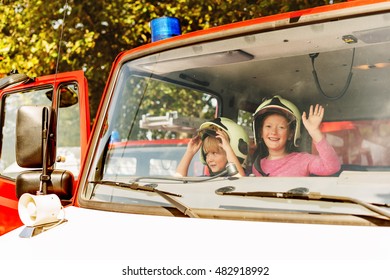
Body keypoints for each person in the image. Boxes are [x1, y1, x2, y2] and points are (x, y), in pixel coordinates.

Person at [251, 95, 341, 177]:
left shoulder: (303, 160)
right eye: (268, 126)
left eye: (281, 127)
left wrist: (314, 132)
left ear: (290, 135)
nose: (274, 132)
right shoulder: (257, 166)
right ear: (260, 133)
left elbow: (332, 167)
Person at [175, 117, 249, 177]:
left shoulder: (245, 180)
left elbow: (239, 179)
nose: (209, 160)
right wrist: (189, 153)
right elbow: (178, 180)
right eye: (206, 154)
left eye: (214, 153)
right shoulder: (206, 180)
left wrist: (227, 147)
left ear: (232, 151)